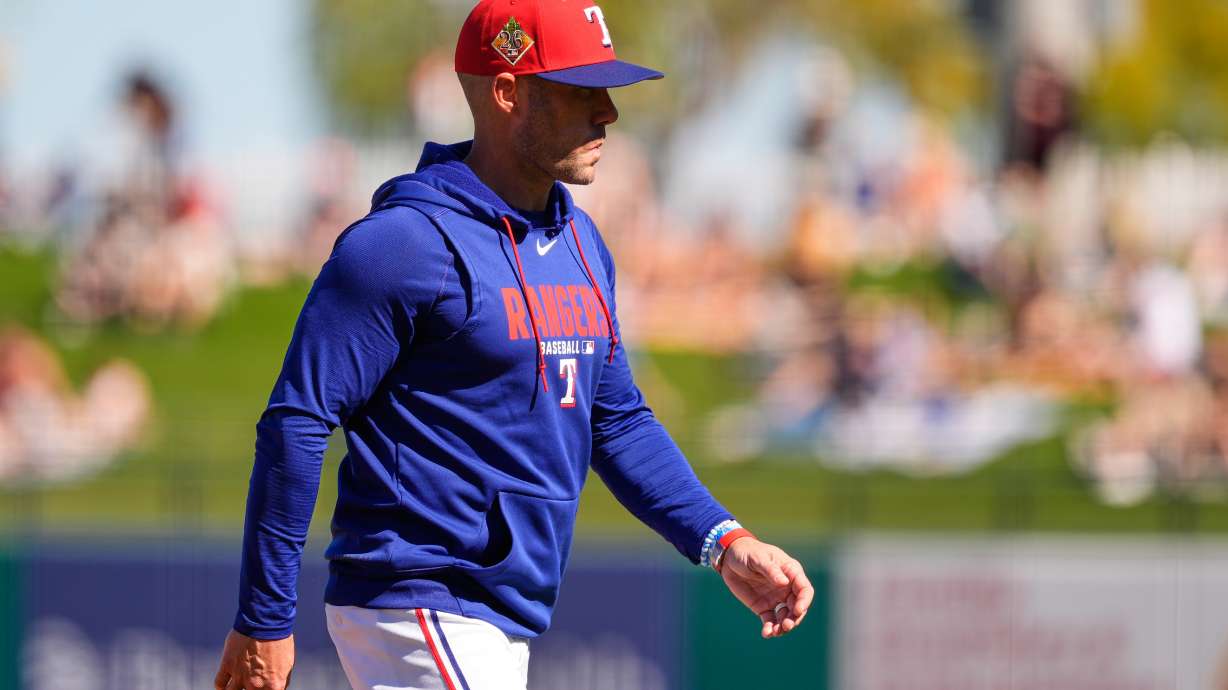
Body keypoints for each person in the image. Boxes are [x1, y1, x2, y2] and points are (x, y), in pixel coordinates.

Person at [214, 2, 814, 689]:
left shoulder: (582, 246)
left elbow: (615, 420)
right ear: (507, 92)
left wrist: (724, 541)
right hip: (416, 601)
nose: (608, 112)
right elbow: (297, 420)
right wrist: (264, 618)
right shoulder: (402, 245)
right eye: (582, 89)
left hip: (499, 617)